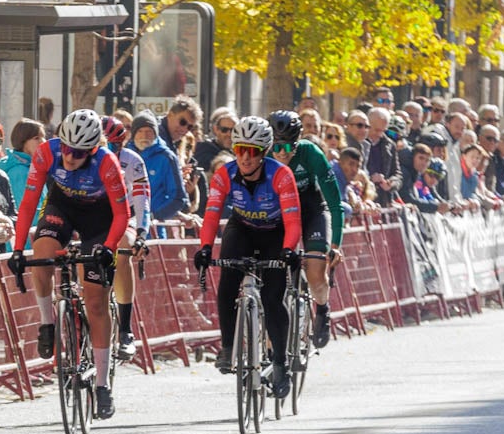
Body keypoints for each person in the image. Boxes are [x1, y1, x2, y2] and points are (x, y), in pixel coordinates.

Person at [6, 109, 130, 420]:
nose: (70, 157)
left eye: (78, 152)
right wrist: (18, 249)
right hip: (61, 208)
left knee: (96, 301)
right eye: (66, 148)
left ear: (92, 149)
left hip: (99, 221)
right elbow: (28, 204)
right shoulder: (47, 152)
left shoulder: (107, 163)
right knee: (42, 252)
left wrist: (108, 248)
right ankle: (47, 322)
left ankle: (102, 384)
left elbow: (122, 215)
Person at [193, 116, 303, 399]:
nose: (245, 157)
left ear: (264, 152)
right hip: (242, 228)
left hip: (276, 233)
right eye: (240, 149)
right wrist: (205, 248)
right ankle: (228, 347)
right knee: (228, 283)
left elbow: (293, 221)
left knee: (272, 298)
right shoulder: (224, 174)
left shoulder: (281, 175)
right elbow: (211, 215)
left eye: (252, 151)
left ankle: (281, 364)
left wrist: (289, 250)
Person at [266, 110, 345, 348]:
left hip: (311, 210)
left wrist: (335, 245)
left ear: (297, 142)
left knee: (315, 272)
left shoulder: (310, 153)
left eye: (288, 147)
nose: (282, 153)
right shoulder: (262, 154)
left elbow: (334, 202)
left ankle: (322, 308)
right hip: (279, 211)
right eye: (276, 147)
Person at [99, 116, 152, 358]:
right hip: (94, 215)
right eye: (106, 145)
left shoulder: (132, 161)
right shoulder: (81, 159)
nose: (111, 151)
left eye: (116, 146)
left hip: (124, 215)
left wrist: (142, 233)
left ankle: (125, 330)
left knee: (123, 249)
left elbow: (142, 200)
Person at [129, 110, 186, 222]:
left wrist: (154, 216)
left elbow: (178, 197)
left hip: (154, 226)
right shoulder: (125, 155)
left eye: (149, 131)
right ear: (133, 133)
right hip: (125, 225)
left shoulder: (166, 157)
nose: (144, 135)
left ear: (155, 134)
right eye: (140, 131)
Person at [0, 119, 45, 212]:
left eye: (43, 137)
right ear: (23, 141)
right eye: (36, 138)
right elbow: (25, 210)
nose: (43, 142)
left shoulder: (32, 167)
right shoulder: (19, 172)